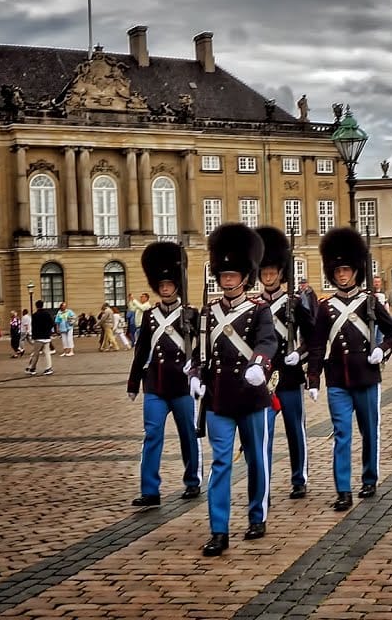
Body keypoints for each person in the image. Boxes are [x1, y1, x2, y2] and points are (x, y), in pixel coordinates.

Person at [196, 224, 277, 557]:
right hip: (219, 398)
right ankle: (219, 529)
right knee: (221, 463)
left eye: (233, 275)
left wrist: (260, 363)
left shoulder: (259, 311)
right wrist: (195, 375)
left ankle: (257, 516)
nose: (228, 280)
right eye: (224, 275)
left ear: (245, 277)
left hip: (251, 395)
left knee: (256, 460)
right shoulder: (208, 313)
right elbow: (200, 351)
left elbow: (267, 340)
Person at [307, 227, 392, 513]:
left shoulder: (370, 302)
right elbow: (317, 345)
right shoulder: (325, 308)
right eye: (338, 271)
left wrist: (381, 350)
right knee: (341, 434)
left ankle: (369, 478)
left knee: (369, 431)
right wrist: (312, 378)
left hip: (367, 376)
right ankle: (343, 489)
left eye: (346, 270)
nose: (342, 275)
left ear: (355, 271)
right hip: (337, 379)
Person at [127, 241, 203, 509]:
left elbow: (201, 348)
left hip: (182, 384)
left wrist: (196, 372)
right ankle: (150, 489)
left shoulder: (192, 314)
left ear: (176, 286)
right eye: (162, 285)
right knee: (152, 435)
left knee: (187, 435)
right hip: (156, 384)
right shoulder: (149, 317)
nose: (166, 288)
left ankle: (192, 480)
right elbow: (141, 351)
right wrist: (134, 382)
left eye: (170, 284)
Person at [255, 225, 317, 501]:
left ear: (281, 274)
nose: (268, 277)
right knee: (264, 432)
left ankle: (299, 477)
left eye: (272, 272)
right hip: (265, 378)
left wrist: (300, 355)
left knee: (295, 429)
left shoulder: (294, 303)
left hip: (290, 375)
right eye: (264, 273)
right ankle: (263, 480)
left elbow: (313, 340)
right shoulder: (254, 307)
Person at [25, 300, 55, 375]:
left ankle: (32, 368)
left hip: (38, 337)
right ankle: (49, 368)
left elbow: (33, 326)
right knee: (47, 353)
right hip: (46, 336)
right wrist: (48, 331)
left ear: (36, 306)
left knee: (36, 353)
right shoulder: (47, 314)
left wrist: (33, 336)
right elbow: (52, 323)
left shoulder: (35, 315)